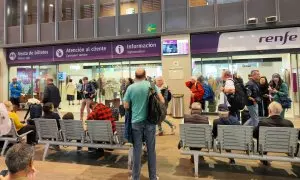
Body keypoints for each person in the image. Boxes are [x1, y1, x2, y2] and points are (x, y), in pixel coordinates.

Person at [123, 68, 164, 180]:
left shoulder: (130, 88)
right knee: (151, 150)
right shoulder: (151, 86)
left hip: (136, 122)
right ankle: (153, 177)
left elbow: (126, 106)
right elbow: (162, 101)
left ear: (135, 76)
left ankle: (135, 177)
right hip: (150, 122)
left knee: (137, 150)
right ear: (145, 75)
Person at [253, 102, 294, 166]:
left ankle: (263, 156)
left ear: (269, 110)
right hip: (284, 147)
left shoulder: (263, 122)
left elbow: (254, 134)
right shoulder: (289, 123)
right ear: (281, 111)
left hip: (266, 146)